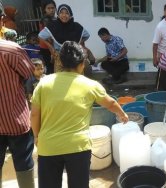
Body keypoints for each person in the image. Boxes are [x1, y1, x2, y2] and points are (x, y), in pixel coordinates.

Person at [30, 41, 129, 188]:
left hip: (48, 146)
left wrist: (37, 136)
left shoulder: (44, 83)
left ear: (60, 61)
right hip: (78, 148)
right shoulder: (90, 85)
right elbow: (111, 104)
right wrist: (123, 115)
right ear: (82, 63)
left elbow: (34, 115)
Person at [0, 2, 35, 187]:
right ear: (2, 21)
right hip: (15, 120)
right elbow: (28, 73)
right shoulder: (11, 49)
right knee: (23, 162)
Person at [39, 4, 90, 72]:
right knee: (59, 78)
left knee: (75, 77)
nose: (64, 15)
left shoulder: (76, 26)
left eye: (66, 13)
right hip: (59, 56)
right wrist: (50, 47)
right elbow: (41, 35)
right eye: (61, 13)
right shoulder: (53, 25)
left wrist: (79, 42)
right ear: (58, 14)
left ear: (70, 15)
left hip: (74, 56)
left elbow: (87, 35)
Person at [39, 0, 56, 74]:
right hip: (46, 48)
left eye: (53, 8)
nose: (51, 10)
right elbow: (48, 37)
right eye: (48, 8)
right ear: (44, 10)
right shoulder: (45, 20)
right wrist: (52, 52)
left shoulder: (55, 19)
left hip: (53, 47)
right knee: (50, 68)